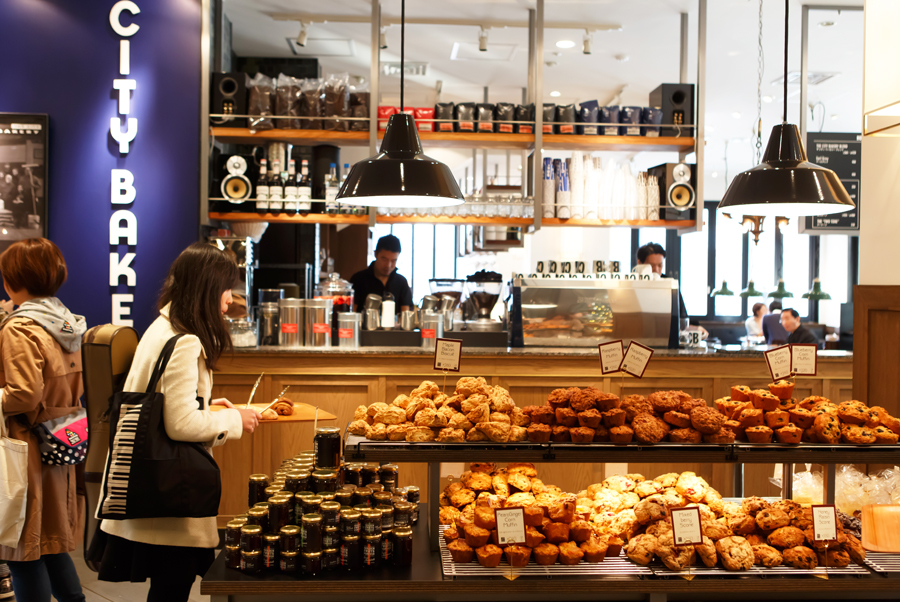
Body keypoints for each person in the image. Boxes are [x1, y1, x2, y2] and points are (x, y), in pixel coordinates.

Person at [95, 243, 260, 602]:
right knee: (171, 590)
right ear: (206, 289)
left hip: (149, 488)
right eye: (225, 289)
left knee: (167, 588)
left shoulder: (163, 325)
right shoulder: (185, 341)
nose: (229, 299)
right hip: (170, 501)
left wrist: (206, 404)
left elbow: (161, 399)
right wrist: (233, 419)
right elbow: (181, 425)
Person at [0, 238, 88, 602]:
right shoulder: (64, 322)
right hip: (59, 440)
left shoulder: (20, 329)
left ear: (13, 279)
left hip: (25, 448)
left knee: (21, 548)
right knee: (50, 544)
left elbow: (23, 394)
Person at [635, 242, 707, 337]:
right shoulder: (631, 284)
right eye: (651, 266)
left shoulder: (671, 285)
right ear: (640, 263)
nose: (656, 270)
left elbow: (682, 320)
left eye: (660, 266)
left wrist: (697, 329)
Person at [350, 234, 413, 313]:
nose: (388, 265)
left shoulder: (401, 282)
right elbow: (352, 313)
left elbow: (405, 314)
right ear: (375, 254)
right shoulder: (358, 279)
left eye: (393, 260)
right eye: (384, 259)